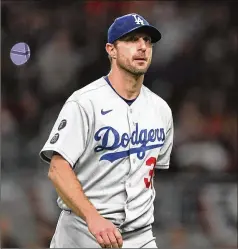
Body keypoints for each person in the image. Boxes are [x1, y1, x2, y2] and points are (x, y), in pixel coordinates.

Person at [39, 13, 174, 248]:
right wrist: (93, 217)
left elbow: (151, 174)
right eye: (132, 40)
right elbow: (57, 169)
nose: (142, 46)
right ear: (111, 49)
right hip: (83, 232)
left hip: (140, 235)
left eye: (147, 41)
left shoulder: (161, 110)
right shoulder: (84, 102)